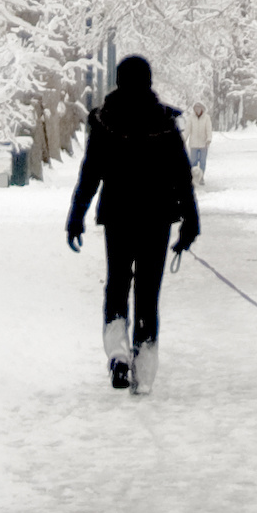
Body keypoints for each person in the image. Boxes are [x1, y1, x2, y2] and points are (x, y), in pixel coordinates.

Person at [66, 54, 202, 391]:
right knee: (147, 292)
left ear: (118, 80)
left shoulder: (105, 122)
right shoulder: (165, 123)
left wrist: (76, 216)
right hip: (156, 220)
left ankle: (117, 353)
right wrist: (190, 223)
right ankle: (144, 367)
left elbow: (90, 174)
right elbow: (182, 177)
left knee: (117, 285)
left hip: (118, 217)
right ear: (149, 81)